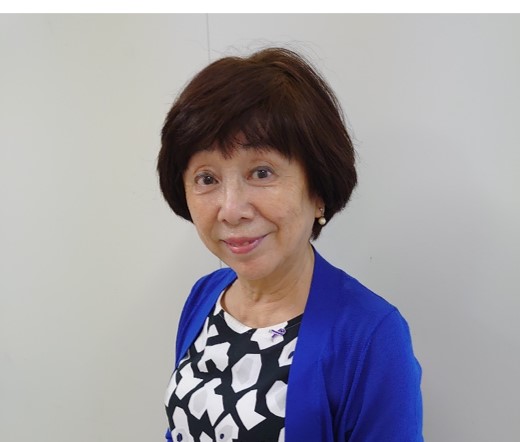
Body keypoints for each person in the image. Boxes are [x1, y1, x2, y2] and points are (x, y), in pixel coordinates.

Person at [157, 47, 423, 442]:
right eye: (207, 178)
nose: (231, 210)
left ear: (318, 189)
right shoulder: (205, 296)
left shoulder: (370, 337)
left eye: (261, 172)